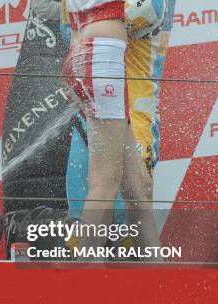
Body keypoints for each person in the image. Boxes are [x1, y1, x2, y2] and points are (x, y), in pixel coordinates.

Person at [61, 0, 167, 258]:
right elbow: (151, 14)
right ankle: (86, 282)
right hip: (101, 56)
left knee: (139, 187)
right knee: (104, 181)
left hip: (96, 55)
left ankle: (159, 283)